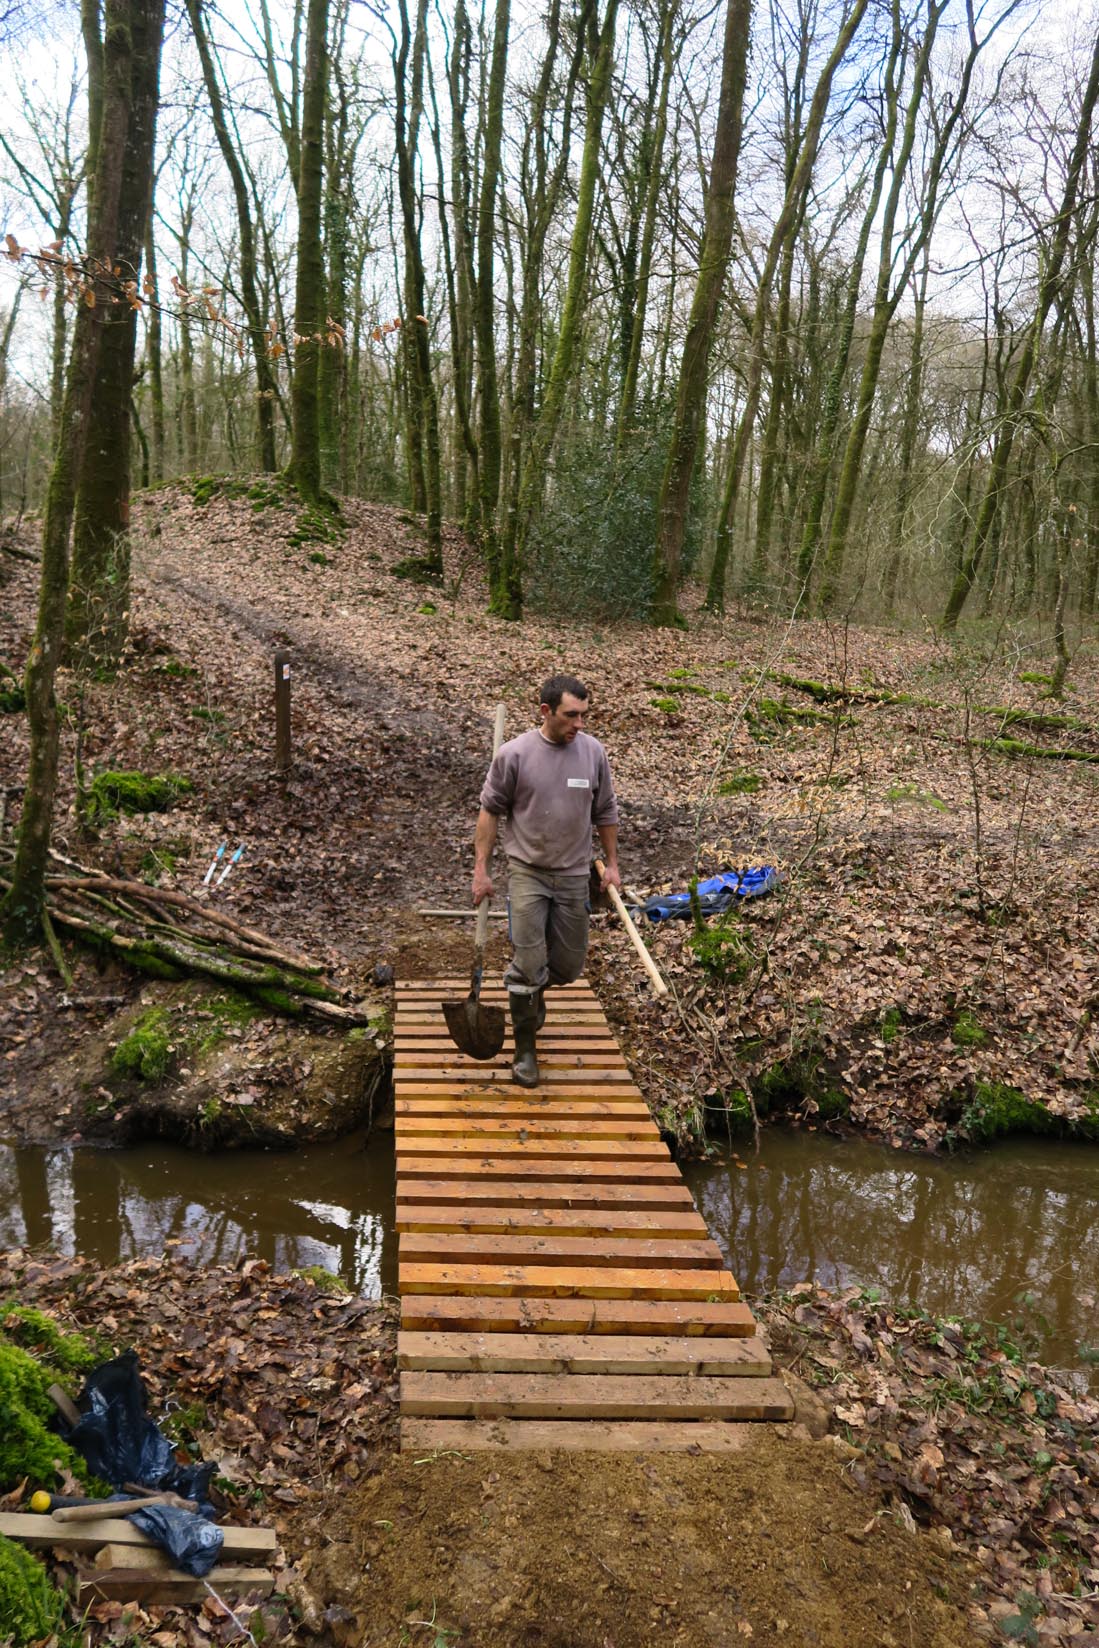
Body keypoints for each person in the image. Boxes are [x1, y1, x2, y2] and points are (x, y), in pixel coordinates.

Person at [472, 674, 622, 1087]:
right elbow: (489, 812)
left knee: (569, 966)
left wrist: (611, 864)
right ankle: (524, 1052)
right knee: (529, 964)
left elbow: (605, 811)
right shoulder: (515, 755)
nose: (580, 724)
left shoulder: (593, 754)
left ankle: (532, 989)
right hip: (528, 873)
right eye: (571, 716)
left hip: (575, 874)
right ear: (546, 711)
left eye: (584, 716)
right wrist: (481, 870)